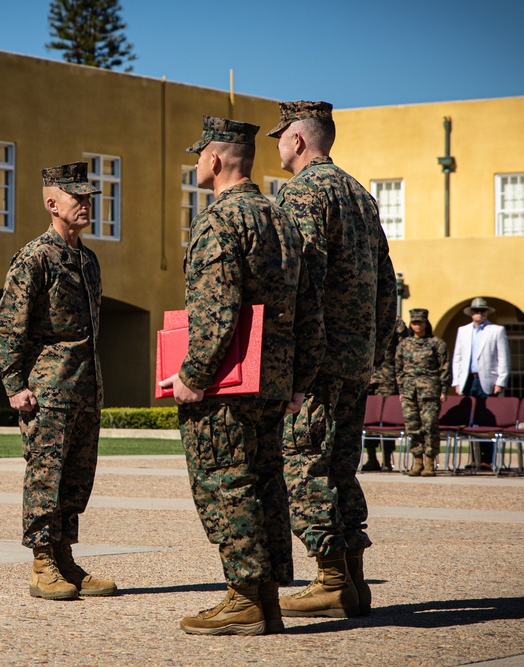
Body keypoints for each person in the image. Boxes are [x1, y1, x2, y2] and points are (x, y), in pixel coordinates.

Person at [159, 115, 324, 635]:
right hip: (272, 381)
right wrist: (300, 378)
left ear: (213, 159)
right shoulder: (281, 219)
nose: (196, 165)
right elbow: (309, 307)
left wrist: (192, 374)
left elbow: (216, 309)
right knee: (267, 482)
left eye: (198, 157)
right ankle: (267, 598)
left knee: (225, 482)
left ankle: (244, 596)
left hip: (227, 383)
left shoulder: (220, 220)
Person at [268, 100, 397, 619]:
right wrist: (374, 349)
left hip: (318, 363)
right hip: (354, 359)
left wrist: (293, 361)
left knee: (303, 461)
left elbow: (300, 279)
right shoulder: (362, 195)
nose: (277, 145)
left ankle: (330, 577)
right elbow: (388, 286)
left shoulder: (302, 192)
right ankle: (355, 582)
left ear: (298, 140)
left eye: (280, 136)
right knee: (341, 466)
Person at [0, 162, 116, 600]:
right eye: (76, 197)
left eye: (87, 197)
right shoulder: (35, 257)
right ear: (51, 203)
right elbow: (4, 328)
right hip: (48, 392)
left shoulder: (88, 260)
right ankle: (42, 563)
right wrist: (14, 385)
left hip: (84, 389)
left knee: (76, 479)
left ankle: (64, 557)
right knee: (46, 477)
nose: (85, 204)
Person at [451, 296, 510, 470]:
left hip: (487, 381)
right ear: (471, 314)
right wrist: (457, 381)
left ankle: (486, 458)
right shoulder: (463, 331)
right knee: (470, 421)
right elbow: (458, 357)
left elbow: (503, 357)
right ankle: (474, 457)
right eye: (476, 311)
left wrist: (501, 381)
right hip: (468, 380)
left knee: (486, 421)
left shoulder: (496, 330)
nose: (479, 314)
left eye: (482, 311)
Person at [395, 309, 450, 477]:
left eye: (420, 322)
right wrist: (401, 389)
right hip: (409, 391)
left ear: (426, 323)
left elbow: (445, 367)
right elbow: (398, 368)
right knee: (412, 427)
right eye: (414, 322)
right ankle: (417, 461)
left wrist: (443, 389)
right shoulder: (404, 344)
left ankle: (430, 462)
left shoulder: (436, 343)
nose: (417, 325)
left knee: (430, 426)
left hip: (430, 391)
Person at [363, 316, 409, 472]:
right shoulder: (365, 314)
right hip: (367, 375)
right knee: (367, 418)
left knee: (387, 421)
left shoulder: (396, 322)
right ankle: (371, 458)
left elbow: (404, 347)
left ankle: (387, 460)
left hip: (388, 376)